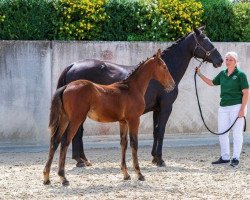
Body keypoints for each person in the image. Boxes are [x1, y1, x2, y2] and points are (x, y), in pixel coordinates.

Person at [196, 51, 249, 167]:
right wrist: (199, 74)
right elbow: (211, 83)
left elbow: (246, 93)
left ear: (236, 62)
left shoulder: (240, 75)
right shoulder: (222, 74)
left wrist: (242, 110)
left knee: (236, 133)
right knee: (222, 133)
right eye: (227, 59)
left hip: (237, 106)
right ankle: (225, 157)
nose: (228, 61)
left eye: (231, 60)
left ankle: (235, 158)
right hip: (223, 107)